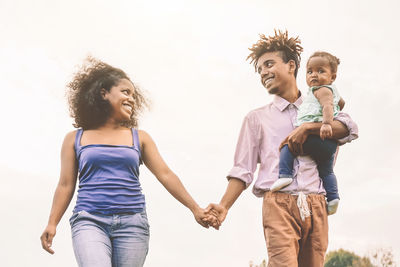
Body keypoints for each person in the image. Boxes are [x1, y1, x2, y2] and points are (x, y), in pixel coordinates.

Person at [205, 30, 358, 266]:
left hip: (316, 203)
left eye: (268, 64)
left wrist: (307, 128)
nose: (264, 72)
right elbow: (242, 171)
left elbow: (348, 129)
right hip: (279, 204)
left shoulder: (321, 105)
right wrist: (224, 206)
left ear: (291, 66)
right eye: (259, 70)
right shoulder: (256, 119)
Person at [40, 57, 212, 267]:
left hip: (132, 224)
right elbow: (65, 184)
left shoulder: (140, 138)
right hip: (89, 220)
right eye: (125, 92)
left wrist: (195, 208)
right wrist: (52, 223)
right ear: (103, 93)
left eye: (133, 95)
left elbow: (166, 175)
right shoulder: (75, 138)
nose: (131, 98)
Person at [270, 51, 346, 215]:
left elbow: (327, 106)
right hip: (329, 144)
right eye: (310, 71)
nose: (314, 75)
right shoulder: (332, 91)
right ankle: (333, 197)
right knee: (326, 171)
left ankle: (285, 175)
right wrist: (337, 106)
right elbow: (340, 102)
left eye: (320, 71)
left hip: (317, 137)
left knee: (287, 146)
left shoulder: (321, 90)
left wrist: (326, 123)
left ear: (332, 77)